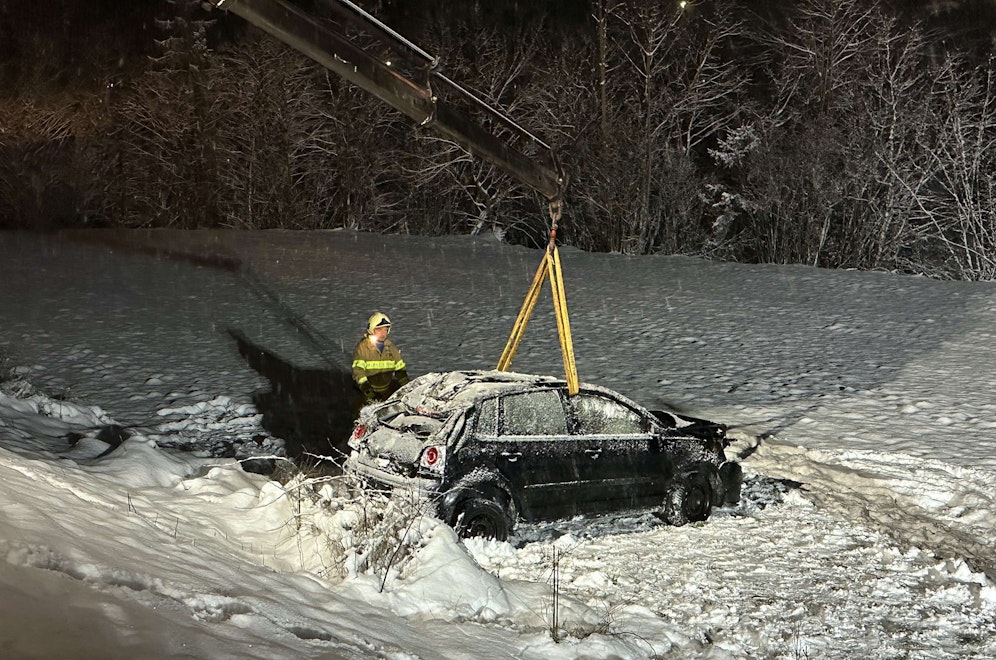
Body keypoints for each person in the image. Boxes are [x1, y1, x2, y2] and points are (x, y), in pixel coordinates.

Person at [351, 311, 410, 406]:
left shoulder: (391, 347)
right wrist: (370, 394)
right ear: (371, 329)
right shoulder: (362, 348)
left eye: (386, 330)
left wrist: (408, 389)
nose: (383, 333)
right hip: (365, 394)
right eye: (379, 330)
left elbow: (401, 371)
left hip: (386, 392)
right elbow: (359, 374)